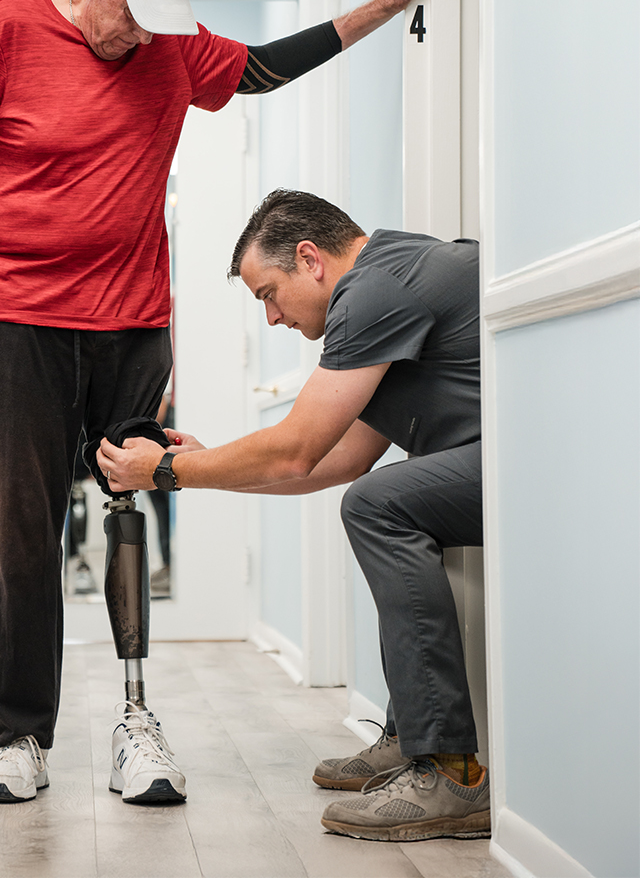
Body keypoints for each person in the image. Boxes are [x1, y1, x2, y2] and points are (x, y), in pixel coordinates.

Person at [0, 0, 439, 806]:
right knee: (19, 525)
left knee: (135, 492)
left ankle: (136, 723)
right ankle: (21, 735)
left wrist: (380, 6)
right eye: (129, 13)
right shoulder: (4, 29)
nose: (141, 35)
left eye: (159, 20)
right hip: (9, 309)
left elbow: (262, 67)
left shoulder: (170, 47)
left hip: (129, 314)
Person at [97, 189, 488, 840]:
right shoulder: (391, 280)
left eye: (268, 294)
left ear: (310, 259)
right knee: (376, 494)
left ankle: (447, 768)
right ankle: (411, 734)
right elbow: (336, 460)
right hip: (506, 456)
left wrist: (166, 470)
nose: (273, 318)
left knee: (379, 505)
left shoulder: (372, 291)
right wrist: (202, 469)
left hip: (537, 461)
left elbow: (299, 449)